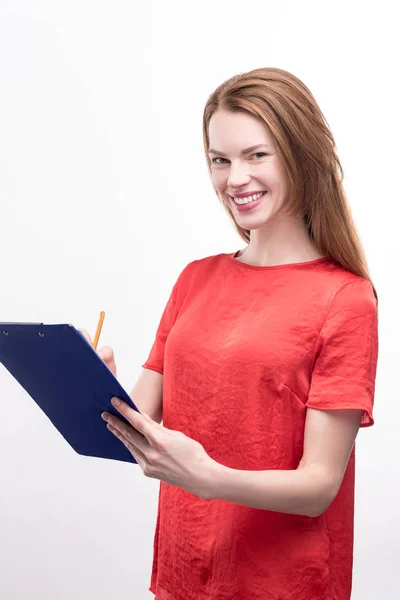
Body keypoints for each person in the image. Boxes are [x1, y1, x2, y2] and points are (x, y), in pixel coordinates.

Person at [82, 67, 379, 600]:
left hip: (282, 585)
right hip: (183, 573)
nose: (234, 178)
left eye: (256, 155)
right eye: (220, 160)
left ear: (301, 155)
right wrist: (90, 388)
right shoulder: (197, 278)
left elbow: (318, 488)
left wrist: (207, 478)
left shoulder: (345, 298)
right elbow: (142, 428)